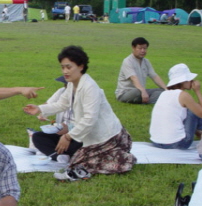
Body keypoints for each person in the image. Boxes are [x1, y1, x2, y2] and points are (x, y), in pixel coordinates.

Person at [24, 46, 136, 178]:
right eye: (62, 67)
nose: (65, 71)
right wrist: (40, 108)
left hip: (107, 137)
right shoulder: (71, 84)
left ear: (81, 66)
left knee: (80, 163)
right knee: (39, 137)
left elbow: (90, 119)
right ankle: (66, 157)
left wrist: (67, 136)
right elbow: (62, 104)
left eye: (68, 67)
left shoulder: (90, 87)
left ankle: (116, 157)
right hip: (83, 134)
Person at [149, 63, 202, 149]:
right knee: (193, 111)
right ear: (182, 81)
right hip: (178, 143)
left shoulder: (164, 94)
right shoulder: (183, 95)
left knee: (188, 110)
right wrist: (197, 91)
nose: (192, 81)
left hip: (156, 142)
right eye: (189, 79)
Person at [115, 37, 167, 104]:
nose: (143, 51)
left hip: (141, 91)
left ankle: (149, 99)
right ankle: (150, 99)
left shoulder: (146, 62)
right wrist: (143, 91)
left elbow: (154, 76)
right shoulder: (128, 61)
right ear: (133, 48)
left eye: (145, 48)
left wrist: (166, 89)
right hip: (126, 93)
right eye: (140, 48)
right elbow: (134, 78)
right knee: (138, 92)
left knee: (163, 91)